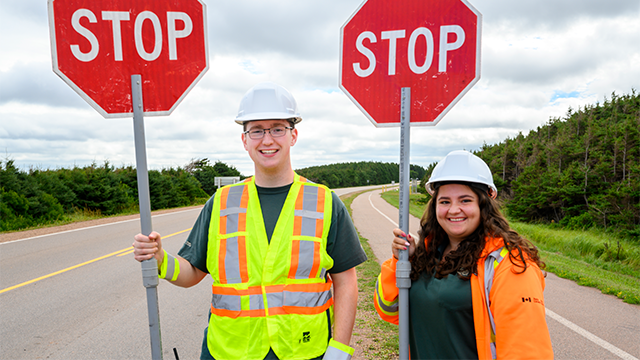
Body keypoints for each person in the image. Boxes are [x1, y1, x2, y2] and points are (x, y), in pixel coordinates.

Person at [134, 82, 367, 360]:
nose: (267, 140)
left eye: (277, 128)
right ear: (244, 140)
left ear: (293, 135)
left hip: (305, 352)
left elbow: (346, 281)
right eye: (256, 130)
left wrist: (339, 350)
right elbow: (192, 273)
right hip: (229, 352)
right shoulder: (220, 203)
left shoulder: (325, 202)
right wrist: (160, 259)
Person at [374, 150, 553, 360]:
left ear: (484, 204)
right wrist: (403, 262)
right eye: (445, 201)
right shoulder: (427, 254)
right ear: (435, 206)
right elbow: (388, 310)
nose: (454, 209)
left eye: (465, 200)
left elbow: (526, 352)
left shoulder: (509, 264)